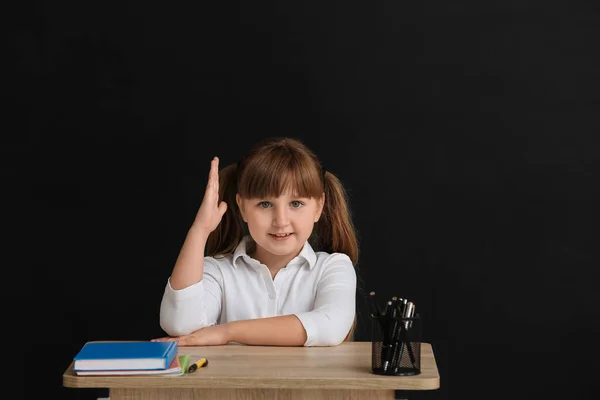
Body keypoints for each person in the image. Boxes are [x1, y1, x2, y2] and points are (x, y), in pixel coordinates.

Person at [152, 137, 359, 347]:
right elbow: (180, 327)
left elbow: (330, 326)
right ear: (242, 207)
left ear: (318, 207)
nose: (281, 221)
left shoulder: (333, 267)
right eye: (265, 204)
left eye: (296, 203)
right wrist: (199, 231)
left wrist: (227, 332)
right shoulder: (217, 271)